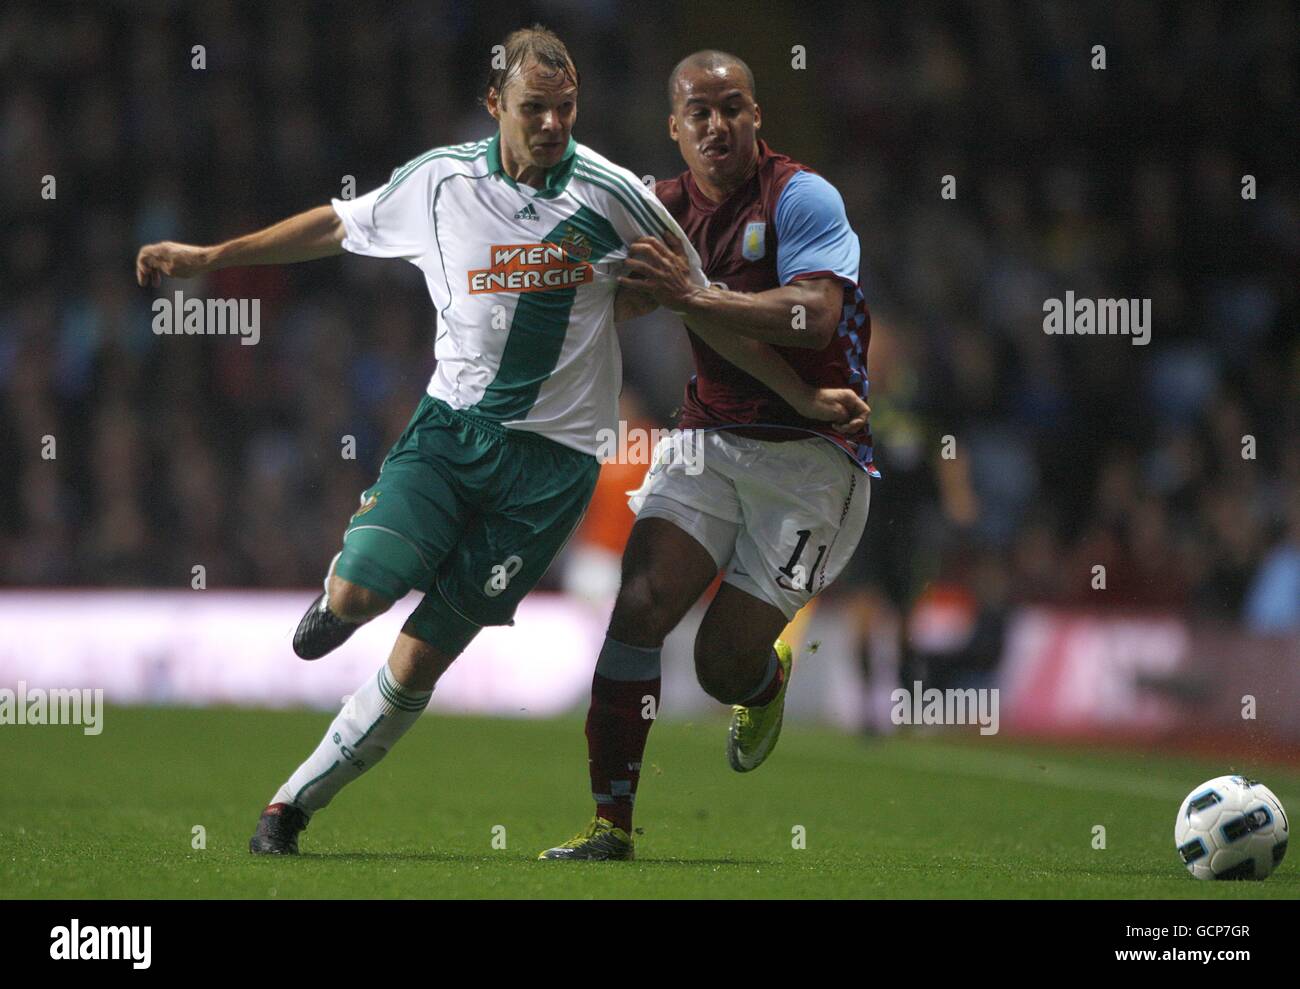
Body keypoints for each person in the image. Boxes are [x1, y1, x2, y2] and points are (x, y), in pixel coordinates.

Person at [134, 27, 868, 855]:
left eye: (564, 109)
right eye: (533, 109)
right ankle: (351, 605)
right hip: (452, 435)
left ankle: (289, 807)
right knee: (367, 597)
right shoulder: (440, 182)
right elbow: (337, 226)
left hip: (553, 475)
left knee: (425, 661)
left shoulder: (623, 195)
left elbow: (701, 307)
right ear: (495, 107)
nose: (552, 124)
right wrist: (209, 255)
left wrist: (805, 393)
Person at [540, 50, 878, 861]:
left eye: (733, 108)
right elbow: (597, 294)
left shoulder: (801, 197)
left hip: (815, 455)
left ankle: (761, 683)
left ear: (757, 116)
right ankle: (610, 825)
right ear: (676, 128)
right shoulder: (656, 208)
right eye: (700, 112)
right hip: (707, 438)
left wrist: (690, 294)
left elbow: (813, 317)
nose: (718, 125)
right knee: (642, 600)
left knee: (720, 662)